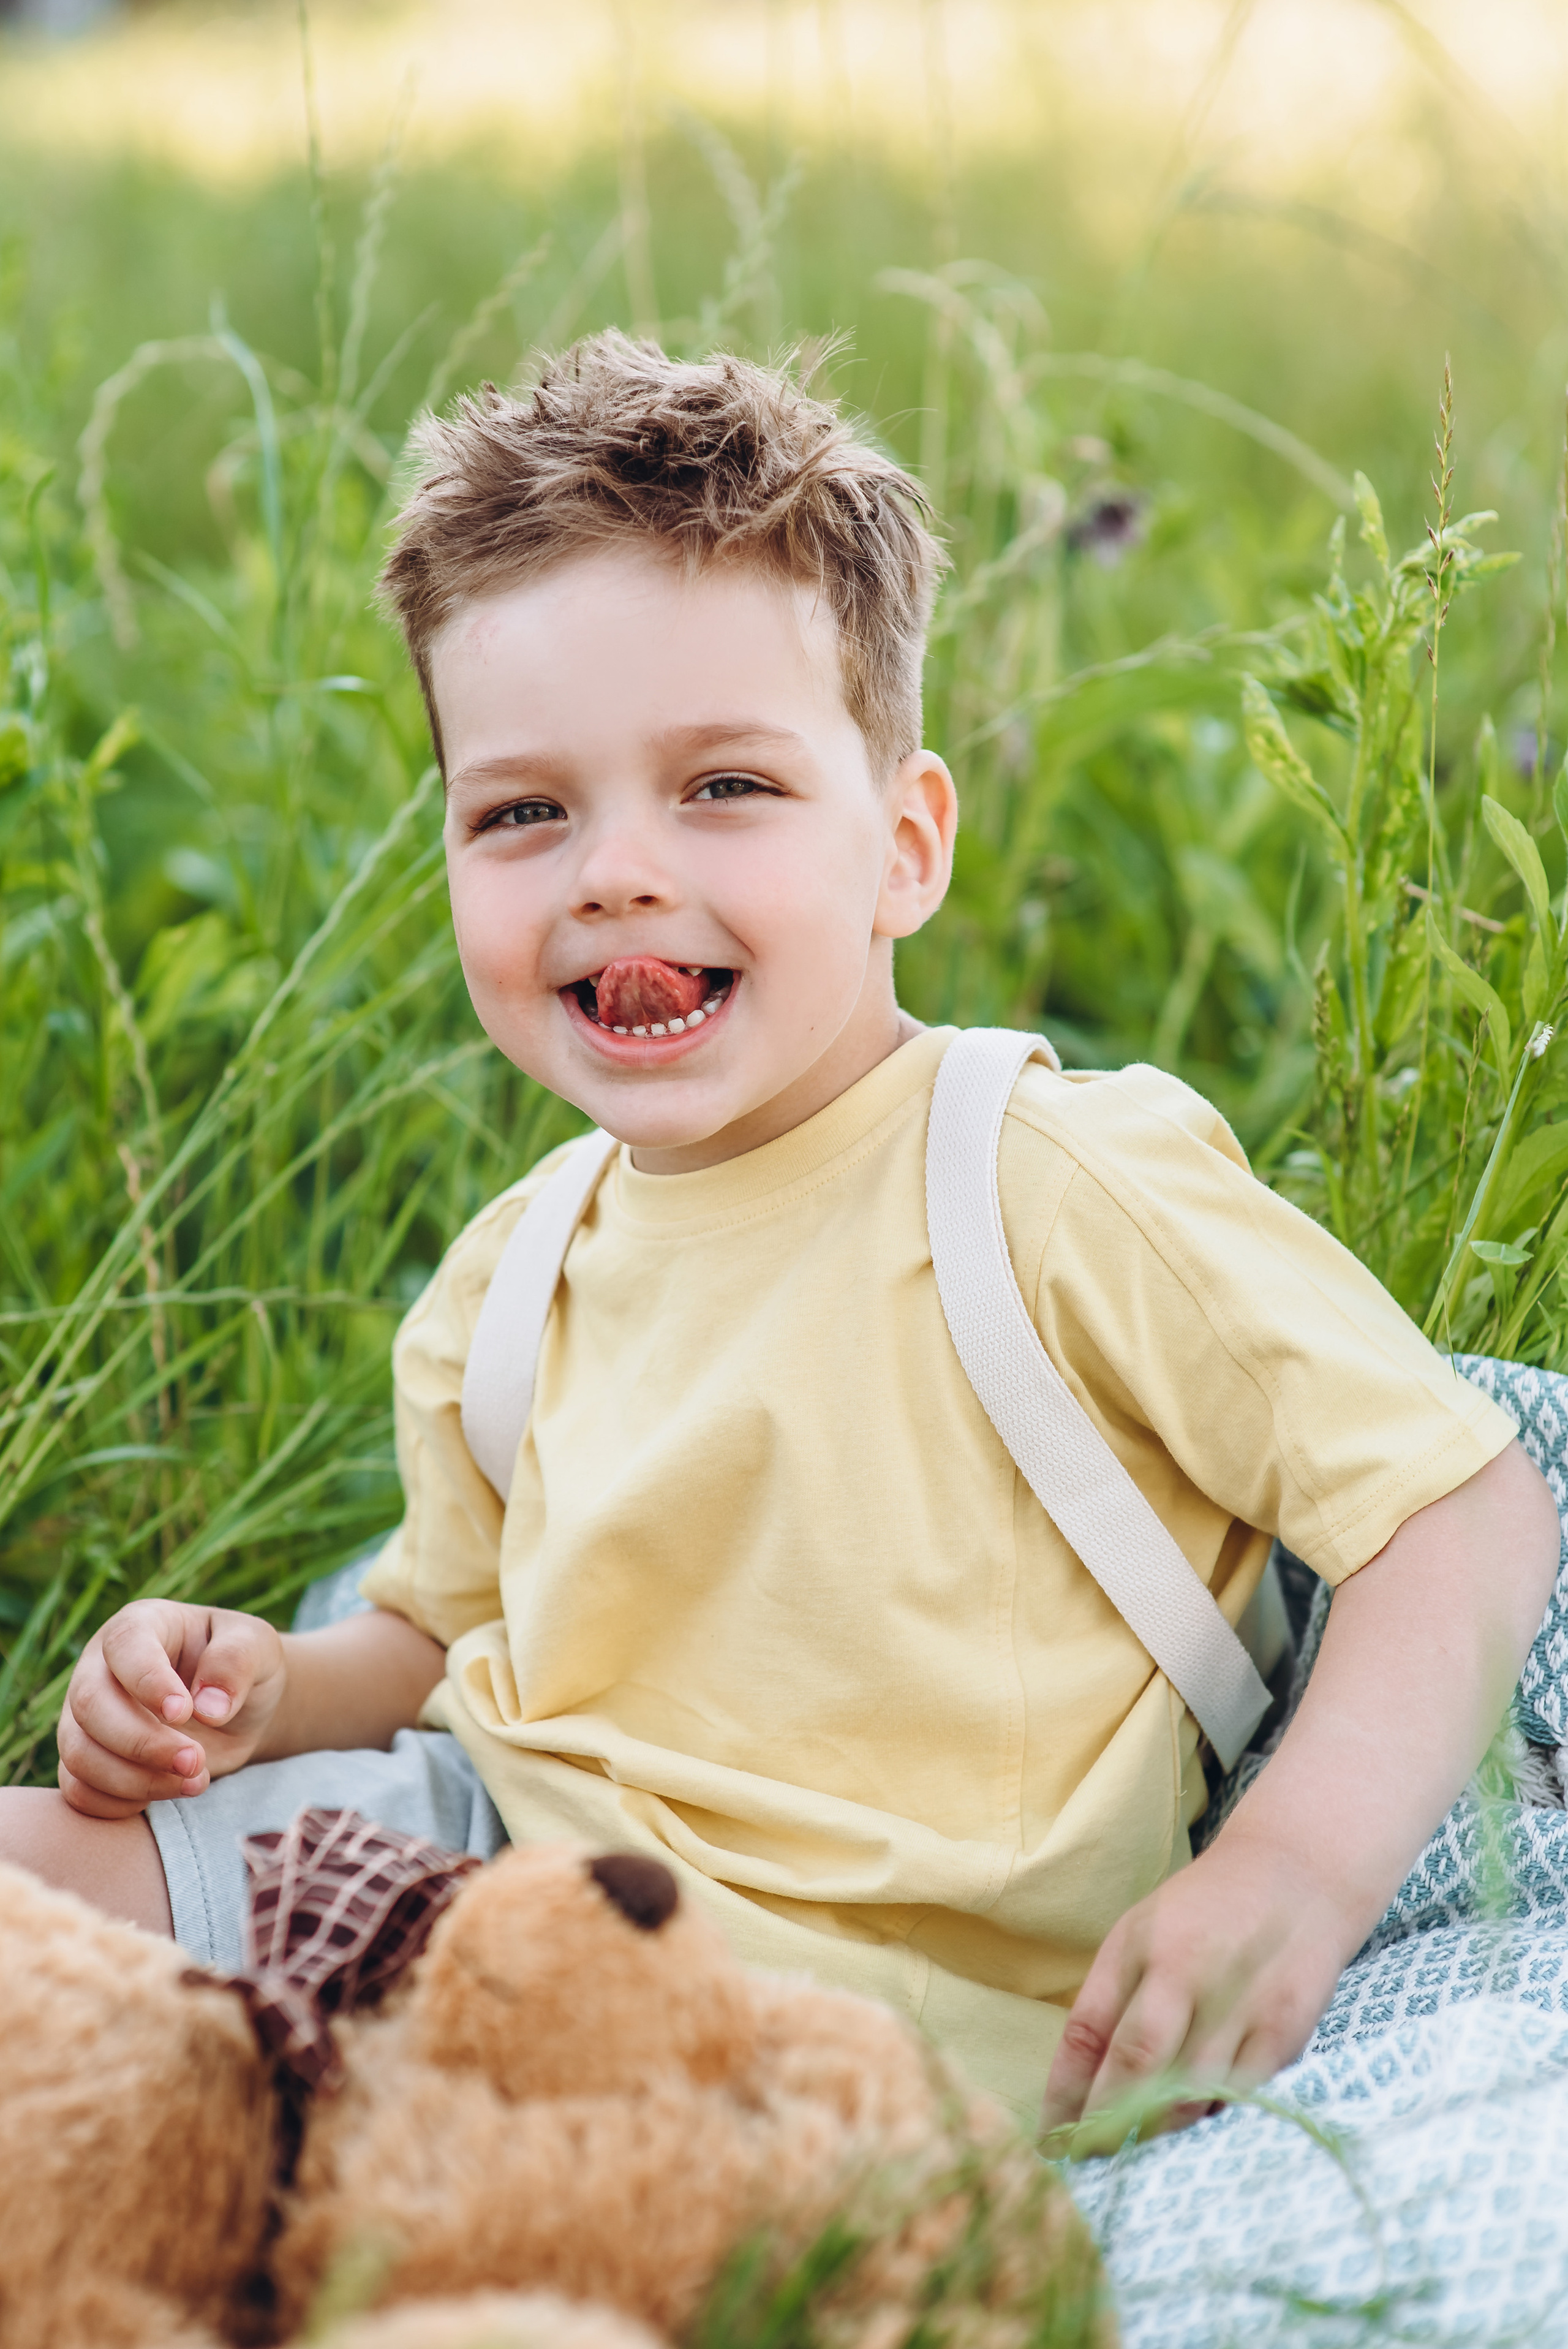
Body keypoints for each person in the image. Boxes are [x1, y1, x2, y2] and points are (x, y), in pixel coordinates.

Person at [1, 333, 1556, 2136]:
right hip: (469, 1884)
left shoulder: (1046, 1183)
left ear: (904, 844)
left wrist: (1293, 1863)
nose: (613, 872)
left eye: (722, 786)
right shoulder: (518, 1270)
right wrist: (266, 1687)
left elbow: (1460, 1503)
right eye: (523, 811)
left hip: (853, 2038)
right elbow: (428, 1638)